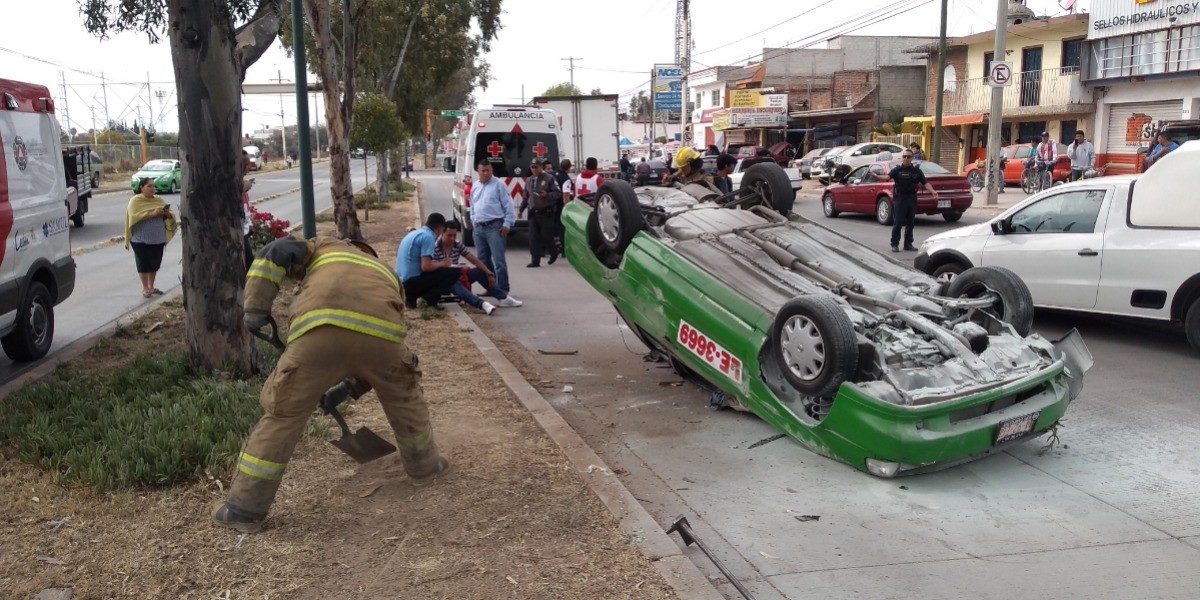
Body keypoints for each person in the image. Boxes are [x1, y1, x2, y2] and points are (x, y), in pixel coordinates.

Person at [214, 235, 448, 533]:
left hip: (318, 332)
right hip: (383, 338)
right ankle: (425, 468)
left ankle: (244, 510)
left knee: (283, 416)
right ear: (369, 253)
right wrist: (347, 389)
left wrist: (255, 309)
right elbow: (375, 347)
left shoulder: (322, 245)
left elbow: (276, 251)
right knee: (405, 400)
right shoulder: (386, 273)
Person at [435, 221, 522, 313]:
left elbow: (474, 260)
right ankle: (482, 304)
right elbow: (431, 269)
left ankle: (503, 298)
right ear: (442, 233)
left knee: (479, 272)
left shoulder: (457, 244)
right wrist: (443, 265)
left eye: (454, 235)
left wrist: (489, 273)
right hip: (442, 280)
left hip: (455, 275)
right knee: (453, 282)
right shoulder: (435, 247)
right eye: (449, 235)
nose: (452, 238)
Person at [870, 151, 938, 252]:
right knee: (898, 222)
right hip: (900, 198)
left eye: (908, 157)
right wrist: (877, 176)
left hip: (912, 198)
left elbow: (925, 183)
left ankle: (908, 244)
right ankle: (895, 244)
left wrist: (933, 192)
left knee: (910, 222)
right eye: (904, 156)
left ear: (912, 158)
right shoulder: (897, 170)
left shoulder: (917, 171)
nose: (906, 158)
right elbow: (887, 177)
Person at [396, 213, 463, 310]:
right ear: (440, 228)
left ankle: (411, 299)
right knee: (455, 273)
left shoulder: (415, 233)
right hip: (411, 283)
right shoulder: (428, 237)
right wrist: (443, 263)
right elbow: (426, 266)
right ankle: (430, 301)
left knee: (438, 273)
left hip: (401, 280)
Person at [125, 177, 178, 298]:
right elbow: (133, 217)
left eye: (154, 186)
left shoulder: (159, 200)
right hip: (140, 238)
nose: (153, 188)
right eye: (149, 186)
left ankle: (151, 286)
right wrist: (153, 214)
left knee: (154, 263)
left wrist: (166, 213)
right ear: (141, 187)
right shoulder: (135, 201)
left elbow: (171, 215)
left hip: (157, 238)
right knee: (143, 262)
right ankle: (145, 288)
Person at [469, 158, 515, 294]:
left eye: (488, 170)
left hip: (495, 227)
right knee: (483, 261)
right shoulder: (475, 185)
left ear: (492, 170)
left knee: (499, 261)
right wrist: (473, 221)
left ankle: (503, 289)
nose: (485, 173)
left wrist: (507, 223)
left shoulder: (499, 185)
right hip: (479, 228)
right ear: (478, 171)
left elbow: (509, 205)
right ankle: (491, 288)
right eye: (482, 170)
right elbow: (472, 205)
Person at [518, 159, 562, 268]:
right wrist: (521, 210)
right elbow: (526, 197)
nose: (534, 169)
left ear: (541, 167)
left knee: (547, 236)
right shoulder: (529, 180)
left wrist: (547, 195)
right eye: (532, 167)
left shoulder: (549, 178)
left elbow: (557, 193)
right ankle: (535, 261)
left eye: (536, 167)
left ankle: (553, 252)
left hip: (546, 212)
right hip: (533, 212)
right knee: (533, 238)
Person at [242, 178, 255, 270]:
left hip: (245, 232)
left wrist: (249, 224)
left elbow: (246, 211)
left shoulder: (245, 194)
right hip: (240, 234)